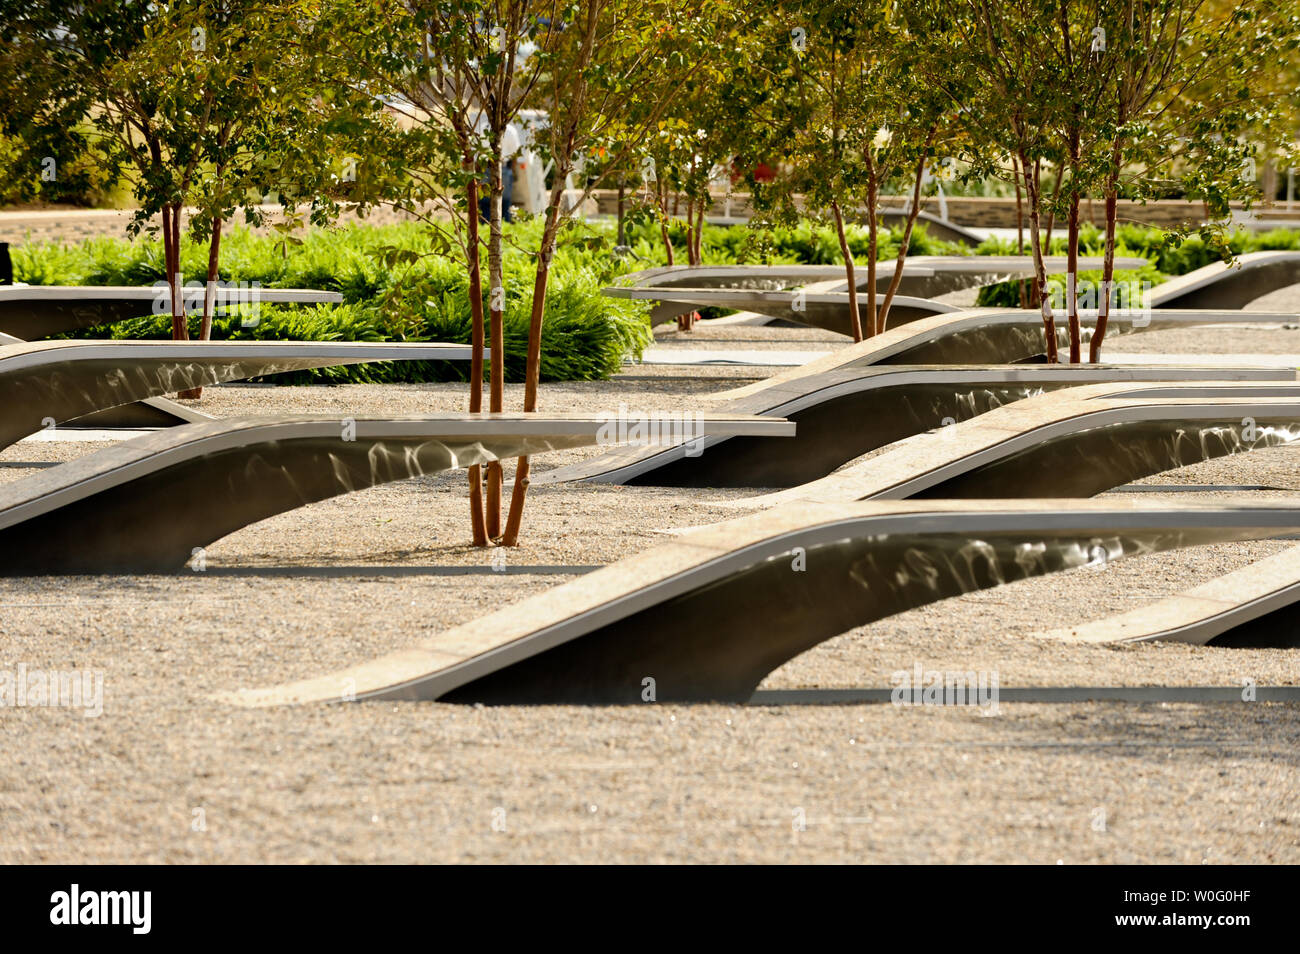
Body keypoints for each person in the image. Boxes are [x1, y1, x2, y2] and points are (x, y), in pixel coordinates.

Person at [473, 112, 521, 224]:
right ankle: (504, 223)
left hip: (486, 167)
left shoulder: (483, 128)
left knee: (486, 199)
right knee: (504, 198)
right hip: (503, 168)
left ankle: (486, 223)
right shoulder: (510, 130)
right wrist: (513, 171)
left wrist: (478, 171)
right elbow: (515, 154)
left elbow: (478, 152)